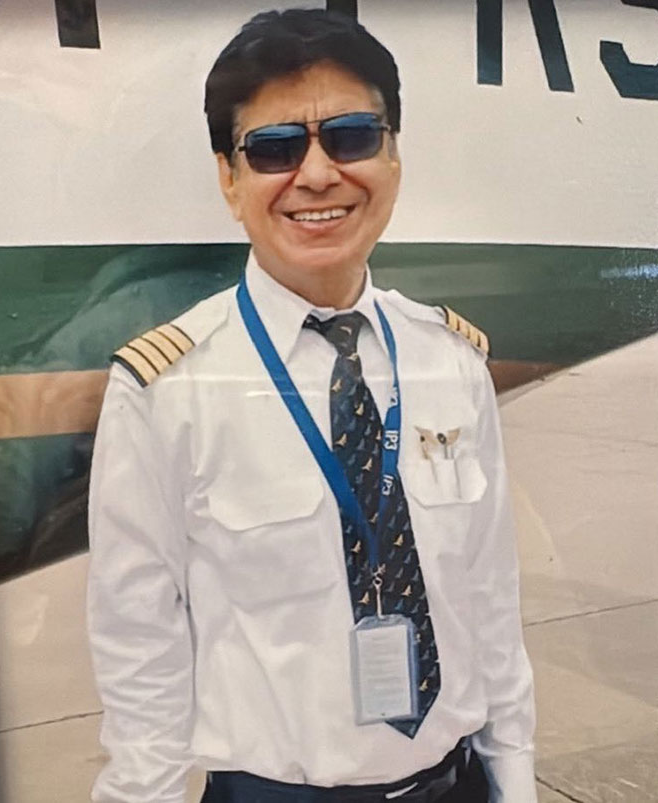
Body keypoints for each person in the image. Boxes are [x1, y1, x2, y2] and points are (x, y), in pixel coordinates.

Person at [87, 9, 537, 803]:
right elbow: (139, 657)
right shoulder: (167, 392)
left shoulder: (452, 361)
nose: (319, 174)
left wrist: (515, 781)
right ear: (230, 178)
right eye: (274, 148)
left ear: (393, 156)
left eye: (353, 136)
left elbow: (493, 609)